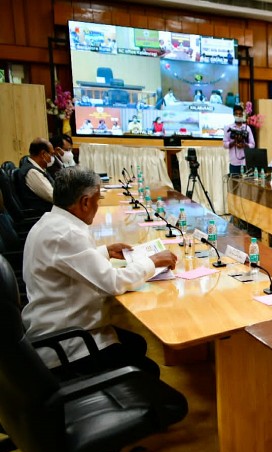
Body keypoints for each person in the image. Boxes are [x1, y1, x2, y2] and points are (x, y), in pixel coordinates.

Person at [22, 167, 178, 376]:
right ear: (85, 201)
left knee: (136, 343)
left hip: (58, 324)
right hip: (69, 342)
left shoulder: (49, 223)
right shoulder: (67, 234)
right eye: (98, 200)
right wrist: (153, 261)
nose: (97, 206)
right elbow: (114, 283)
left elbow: (69, 261)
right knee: (147, 369)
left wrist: (105, 251)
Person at [17, 138, 55, 212]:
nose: (53, 158)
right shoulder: (32, 172)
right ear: (43, 154)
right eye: (52, 154)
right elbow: (53, 196)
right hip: (43, 216)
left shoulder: (40, 169)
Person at [223, 105, 255, 175]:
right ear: (233, 115)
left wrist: (244, 145)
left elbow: (252, 144)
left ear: (242, 115)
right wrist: (234, 142)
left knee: (246, 183)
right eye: (236, 114)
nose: (238, 116)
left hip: (245, 162)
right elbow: (225, 145)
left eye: (240, 114)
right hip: (234, 162)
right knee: (234, 183)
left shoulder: (247, 128)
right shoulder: (228, 128)